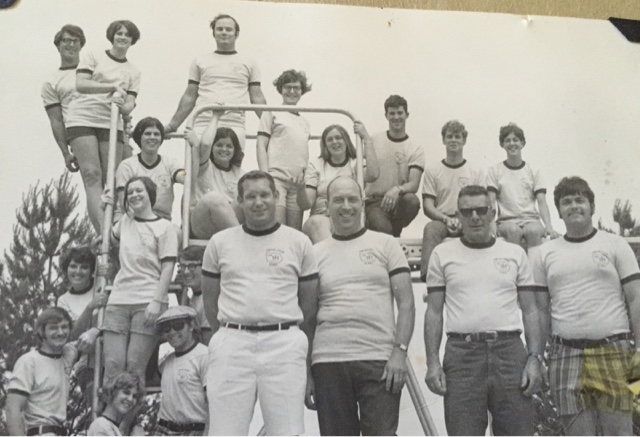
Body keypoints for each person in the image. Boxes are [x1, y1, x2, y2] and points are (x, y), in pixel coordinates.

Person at [201, 170, 318, 435]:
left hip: (284, 343)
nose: (258, 202)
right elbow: (210, 301)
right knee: (225, 432)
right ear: (239, 200)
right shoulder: (220, 243)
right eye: (250, 196)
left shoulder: (299, 242)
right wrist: (228, 334)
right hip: (232, 341)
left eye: (265, 195)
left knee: (286, 432)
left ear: (276, 196)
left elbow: (309, 307)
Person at [424, 185, 545, 436]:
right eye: (467, 212)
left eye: (481, 210)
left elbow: (531, 311)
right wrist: (433, 362)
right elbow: (434, 312)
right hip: (462, 355)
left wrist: (534, 358)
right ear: (458, 216)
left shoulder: (514, 253)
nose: (475, 217)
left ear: (492, 213)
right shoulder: (442, 254)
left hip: (509, 353)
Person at [530, 176, 640, 436]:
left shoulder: (615, 244)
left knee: (619, 434)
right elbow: (540, 311)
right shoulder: (544, 253)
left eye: (580, 200)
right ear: (559, 211)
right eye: (566, 202)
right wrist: (536, 356)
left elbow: (636, 298)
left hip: (614, 351)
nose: (574, 206)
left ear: (592, 206)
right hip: (566, 355)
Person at [307, 176, 415, 435]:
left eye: (352, 199)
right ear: (327, 206)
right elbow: (308, 316)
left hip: (379, 361)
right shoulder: (314, 254)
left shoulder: (386, 244)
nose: (346, 206)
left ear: (362, 203)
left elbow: (407, 303)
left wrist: (399, 353)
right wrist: (307, 371)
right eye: (338, 200)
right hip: (328, 361)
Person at [99, 176, 179, 386]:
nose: (134, 195)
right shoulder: (125, 222)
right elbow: (107, 239)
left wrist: (157, 301)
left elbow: (168, 267)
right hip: (118, 300)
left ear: (150, 194)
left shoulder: (165, 227)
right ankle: (108, 409)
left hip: (148, 300)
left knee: (135, 368)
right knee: (113, 366)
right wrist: (104, 208)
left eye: (139, 191)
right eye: (130, 192)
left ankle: (131, 410)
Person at [65, 19, 141, 233]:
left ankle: (116, 229)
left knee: (113, 178)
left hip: (111, 121)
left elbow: (130, 102)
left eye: (127, 34)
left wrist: (126, 107)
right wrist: (111, 87)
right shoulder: (94, 55)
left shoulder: (134, 71)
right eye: (119, 33)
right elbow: (81, 84)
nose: (122, 37)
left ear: (132, 40)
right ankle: (103, 233)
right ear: (112, 36)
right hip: (83, 117)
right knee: (92, 174)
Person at [165, 13, 266, 149]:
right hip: (202, 122)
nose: (224, 32)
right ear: (213, 33)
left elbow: (257, 98)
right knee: (198, 162)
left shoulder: (249, 62)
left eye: (228, 29)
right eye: (219, 29)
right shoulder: (200, 60)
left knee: (231, 161)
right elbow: (190, 96)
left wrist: (271, 126)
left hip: (234, 123)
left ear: (236, 34)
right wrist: (172, 125)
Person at [420, 120, 485, 282]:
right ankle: (429, 280)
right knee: (430, 229)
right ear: (443, 140)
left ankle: (480, 278)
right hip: (442, 219)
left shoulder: (475, 170)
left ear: (464, 140)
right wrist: (446, 219)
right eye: (449, 136)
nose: (453, 140)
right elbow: (428, 205)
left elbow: (482, 203)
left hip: (468, 218)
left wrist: (464, 219)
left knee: (481, 231)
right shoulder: (433, 170)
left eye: (457, 136)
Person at [296, 122, 379, 243]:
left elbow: (373, 175)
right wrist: (300, 190)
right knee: (318, 223)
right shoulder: (316, 165)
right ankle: (331, 253)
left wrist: (366, 138)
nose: (334, 142)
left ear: (346, 141)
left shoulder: (355, 162)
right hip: (322, 217)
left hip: (347, 216)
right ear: (325, 145)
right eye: (330, 139)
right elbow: (306, 204)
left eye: (338, 138)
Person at [487, 123, 560, 248]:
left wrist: (549, 226)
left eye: (515, 140)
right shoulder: (495, 170)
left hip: (531, 220)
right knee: (513, 231)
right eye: (507, 140)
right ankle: (513, 260)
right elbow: (490, 202)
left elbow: (542, 201)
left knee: (533, 231)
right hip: (506, 221)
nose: (512, 143)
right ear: (502, 144)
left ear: (522, 143)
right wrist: (491, 225)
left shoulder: (533, 170)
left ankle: (534, 260)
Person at [6, 307, 77, 436]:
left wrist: (94, 330)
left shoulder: (67, 356)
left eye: (64, 327)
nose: (60, 332)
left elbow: (84, 337)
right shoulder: (29, 361)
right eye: (53, 328)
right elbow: (13, 409)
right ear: (41, 331)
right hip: (39, 432)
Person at [256, 69, 311, 229]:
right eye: (288, 87)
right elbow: (261, 144)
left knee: (293, 233)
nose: (292, 91)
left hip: (297, 183)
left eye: (296, 88)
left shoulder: (305, 121)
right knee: (277, 229)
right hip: (277, 179)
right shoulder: (271, 111)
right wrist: (265, 176)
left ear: (302, 91)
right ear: (281, 89)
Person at [364, 95, 423, 237]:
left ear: (407, 115)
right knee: (383, 229)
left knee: (412, 201)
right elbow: (359, 169)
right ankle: (383, 229)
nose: (396, 117)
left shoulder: (415, 148)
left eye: (400, 113)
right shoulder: (373, 140)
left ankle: (395, 230)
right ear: (386, 115)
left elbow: (414, 184)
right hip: (374, 202)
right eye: (392, 113)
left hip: (398, 200)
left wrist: (397, 190)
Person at [115, 117, 185, 222]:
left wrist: (195, 146)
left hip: (161, 220)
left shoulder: (170, 163)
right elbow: (124, 203)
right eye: (147, 134)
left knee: (175, 231)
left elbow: (185, 176)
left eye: (156, 134)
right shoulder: (127, 166)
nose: (152, 137)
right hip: (130, 218)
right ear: (139, 137)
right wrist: (147, 223)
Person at [154, 306, 209, 436]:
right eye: (167, 328)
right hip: (163, 430)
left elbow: (213, 404)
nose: (172, 332)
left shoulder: (205, 356)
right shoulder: (165, 362)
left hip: (194, 431)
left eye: (178, 325)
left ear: (191, 326)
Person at [187, 122, 245, 240]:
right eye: (219, 145)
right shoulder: (205, 166)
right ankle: (241, 242)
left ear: (235, 150)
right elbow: (206, 144)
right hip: (203, 222)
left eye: (229, 146)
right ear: (212, 148)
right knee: (214, 198)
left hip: (229, 224)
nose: (224, 149)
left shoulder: (239, 173)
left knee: (251, 193)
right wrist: (215, 117)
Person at [41, 24, 86, 172]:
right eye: (66, 40)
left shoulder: (93, 71)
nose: (71, 45)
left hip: (104, 127)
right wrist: (65, 153)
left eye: (75, 41)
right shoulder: (51, 82)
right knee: (91, 174)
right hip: (79, 132)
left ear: (81, 45)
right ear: (58, 45)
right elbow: (56, 120)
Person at [87, 371, 144, 436]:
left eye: (135, 396)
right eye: (126, 392)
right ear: (112, 392)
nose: (130, 399)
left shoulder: (114, 426)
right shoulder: (101, 426)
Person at [180, 247, 213, 344]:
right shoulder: (195, 296)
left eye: (191, 266)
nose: (186, 271)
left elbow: (207, 344)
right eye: (182, 266)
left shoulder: (209, 299)